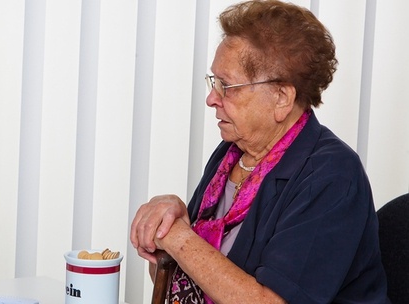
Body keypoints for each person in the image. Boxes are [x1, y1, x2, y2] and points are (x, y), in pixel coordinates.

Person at [130, 1, 389, 303]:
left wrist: (177, 237)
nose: (212, 98)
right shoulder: (232, 155)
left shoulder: (333, 176)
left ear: (281, 97)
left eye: (227, 86)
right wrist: (167, 221)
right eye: (214, 81)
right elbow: (187, 280)